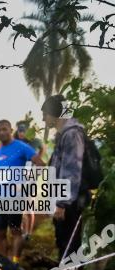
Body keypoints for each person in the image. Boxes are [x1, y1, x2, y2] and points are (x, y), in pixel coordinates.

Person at [0, 119, 45, 270]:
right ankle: (2, 266)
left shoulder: (22, 147)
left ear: (10, 130)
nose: (1, 132)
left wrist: (25, 183)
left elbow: (41, 164)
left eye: (4, 129)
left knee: (16, 232)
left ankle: (14, 263)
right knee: (0, 234)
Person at [43, 95, 91, 260]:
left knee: (70, 245)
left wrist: (62, 203)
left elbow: (72, 170)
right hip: (65, 199)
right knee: (64, 243)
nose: (43, 118)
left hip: (70, 202)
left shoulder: (71, 134)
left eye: (45, 113)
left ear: (54, 112)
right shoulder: (63, 134)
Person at [15, 123, 44, 240]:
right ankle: (21, 230)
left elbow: (43, 148)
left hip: (31, 177)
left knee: (28, 206)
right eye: (19, 131)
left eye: (23, 131)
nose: (21, 133)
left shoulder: (35, 142)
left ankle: (29, 233)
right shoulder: (14, 143)